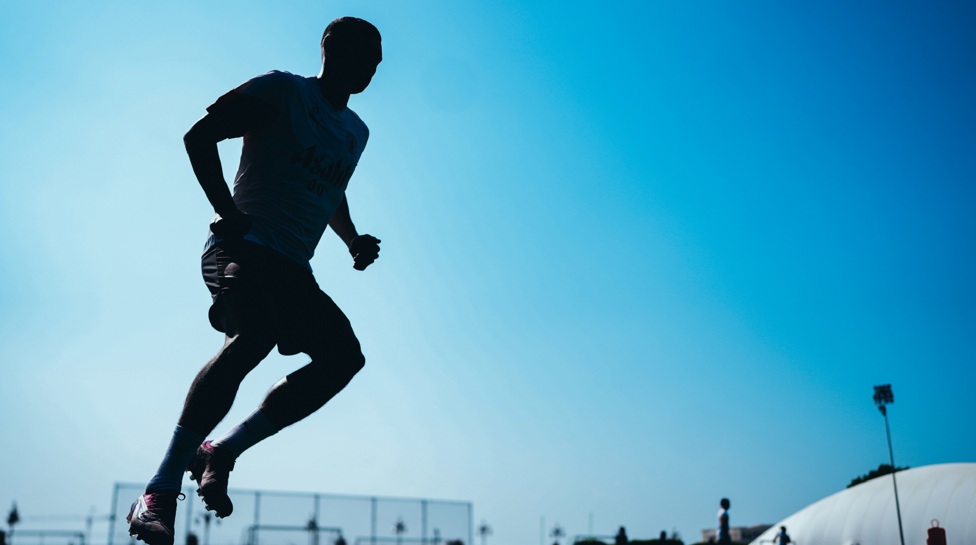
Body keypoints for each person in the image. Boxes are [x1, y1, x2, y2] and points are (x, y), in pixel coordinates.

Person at [126, 16, 384, 545]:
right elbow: (199, 137)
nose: (372, 68)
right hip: (239, 248)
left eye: (379, 62)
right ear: (330, 49)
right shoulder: (282, 92)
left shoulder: (355, 132)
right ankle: (157, 489)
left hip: (293, 269)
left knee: (343, 359)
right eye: (364, 55)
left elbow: (327, 189)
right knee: (256, 334)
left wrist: (352, 239)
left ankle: (222, 449)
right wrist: (227, 211)